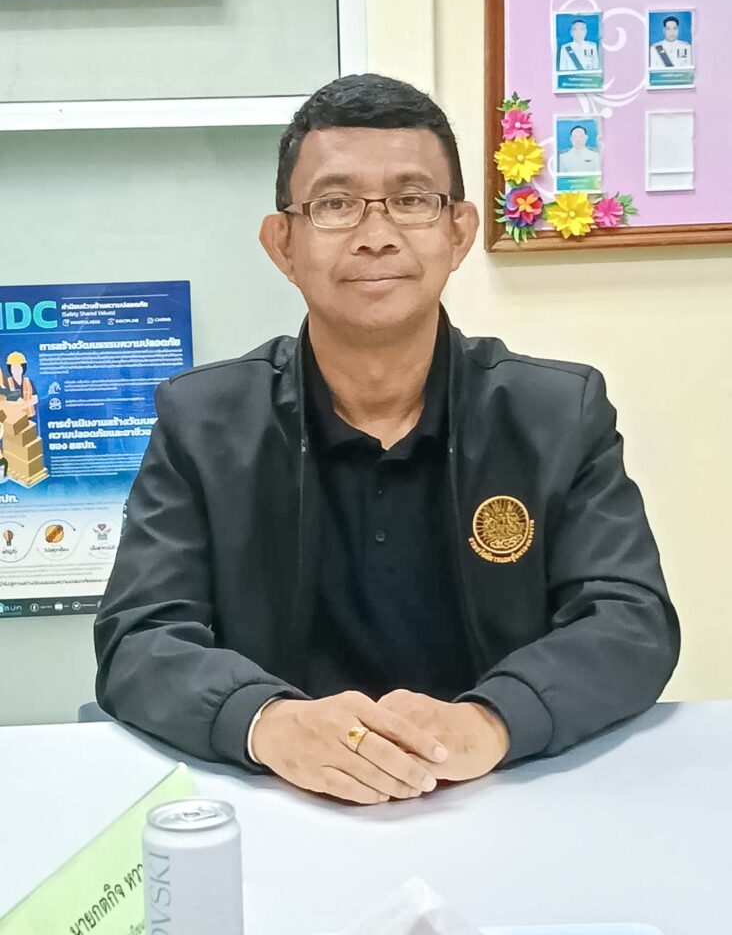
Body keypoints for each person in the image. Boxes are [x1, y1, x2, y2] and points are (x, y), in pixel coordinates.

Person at [95, 74, 679, 807]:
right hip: (278, 802)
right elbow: (139, 638)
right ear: (283, 243)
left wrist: (489, 721)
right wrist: (266, 721)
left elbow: (630, 621)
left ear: (459, 232)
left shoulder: (556, 414)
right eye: (335, 204)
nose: (376, 235)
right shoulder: (202, 422)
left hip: (503, 794)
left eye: (412, 199)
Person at [5, 353, 38, 418]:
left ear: (23, 368)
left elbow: (35, 399)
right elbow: (4, 402)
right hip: (13, 417)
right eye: (13, 367)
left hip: (29, 416)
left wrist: (22, 405)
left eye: (18, 367)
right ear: (10, 369)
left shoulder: (29, 381)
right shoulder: (6, 383)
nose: (16, 370)